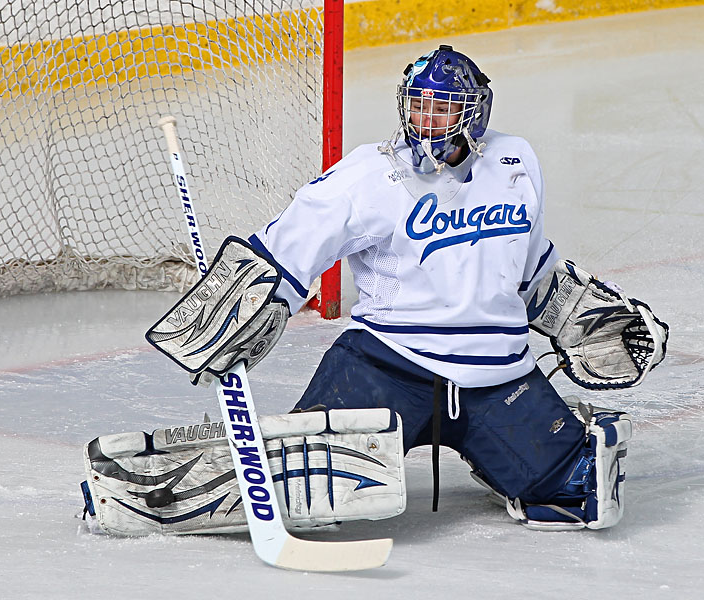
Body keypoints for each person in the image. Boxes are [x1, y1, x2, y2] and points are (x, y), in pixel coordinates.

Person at [101, 45, 668, 535]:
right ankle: (149, 489)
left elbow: (530, 269)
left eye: (444, 108)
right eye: (418, 105)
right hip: (388, 366)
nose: (427, 120)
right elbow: (291, 246)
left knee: (578, 491)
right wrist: (244, 299)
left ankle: (506, 449)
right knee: (293, 485)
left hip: (499, 376)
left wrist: (583, 315)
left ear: (476, 113)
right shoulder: (368, 175)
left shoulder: (515, 161)